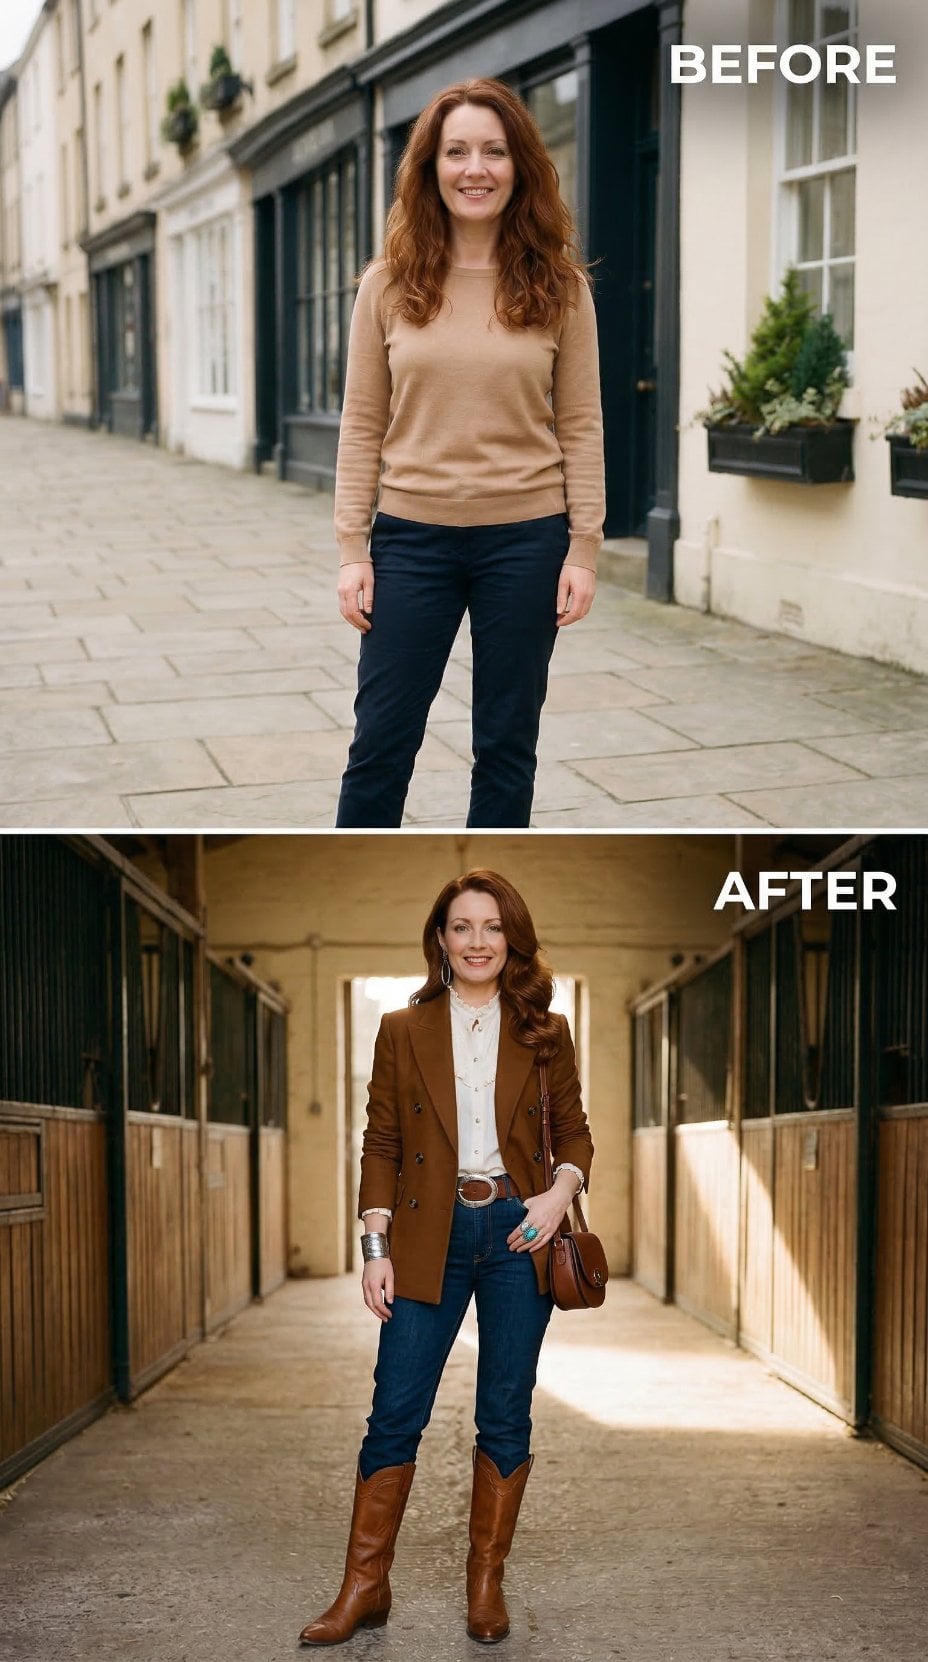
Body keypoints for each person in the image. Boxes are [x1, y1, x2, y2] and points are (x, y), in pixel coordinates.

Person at [298, 870, 594, 1647]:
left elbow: (576, 1132)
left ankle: (485, 1586)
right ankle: (365, 1585)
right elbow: (382, 1143)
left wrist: (556, 1197)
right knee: (395, 1409)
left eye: (491, 927)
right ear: (440, 938)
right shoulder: (402, 1027)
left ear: (511, 938)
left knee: (505, 1410)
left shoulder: (544, 1030)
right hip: (428, 1235)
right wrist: (374, 1246)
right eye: (461, 927)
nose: (476, 941)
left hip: (517, 1233)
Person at [333, 77, 606, 829]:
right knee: (381, 743)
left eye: (493, 150)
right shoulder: (387, 287)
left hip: (527, 543)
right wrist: (353, 547)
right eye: (456, 151)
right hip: (410, 543)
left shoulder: (562, 289)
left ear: (520, 166)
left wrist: (583, 549)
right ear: (431, 168)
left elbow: (581, 423)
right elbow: (362, 422)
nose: (474, 168)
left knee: (507, 745)